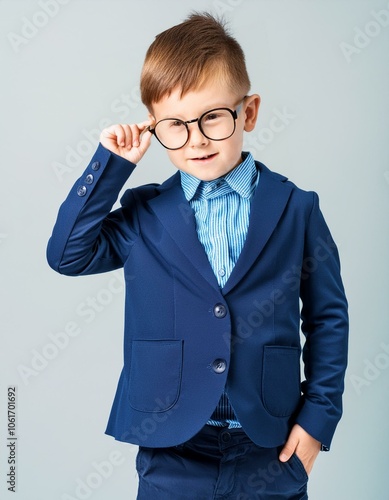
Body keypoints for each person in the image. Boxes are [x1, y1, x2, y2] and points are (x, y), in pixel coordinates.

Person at [47, 12, 348, 499]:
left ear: (247, 113)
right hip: (171, 446)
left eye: (212, 117)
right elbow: (66, 254)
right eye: (175, 125)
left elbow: (328, 318)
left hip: (269, 447)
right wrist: (111, 165)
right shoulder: (144, 215)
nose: (197, 139)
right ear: (156, 127)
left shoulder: (296, 209)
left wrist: (317, 419)